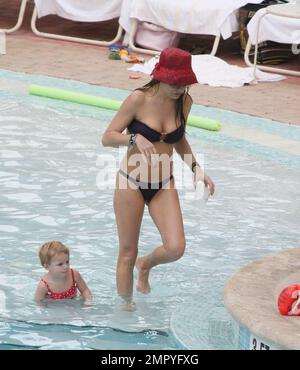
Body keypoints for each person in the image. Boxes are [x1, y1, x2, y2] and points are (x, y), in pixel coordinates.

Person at [102, 47, 215, 307]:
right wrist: (133, 137)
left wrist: (197, 168)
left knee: (176, 248)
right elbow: (107, 137)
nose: (179, 88)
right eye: (174, 82)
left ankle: (146, 265)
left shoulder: (184, 102)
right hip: (131, 182)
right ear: (160, 76)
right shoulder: (138, 100)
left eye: (184, 83)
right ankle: (125, 308)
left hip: (164, 183)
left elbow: (179, 139)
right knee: (128, 253)